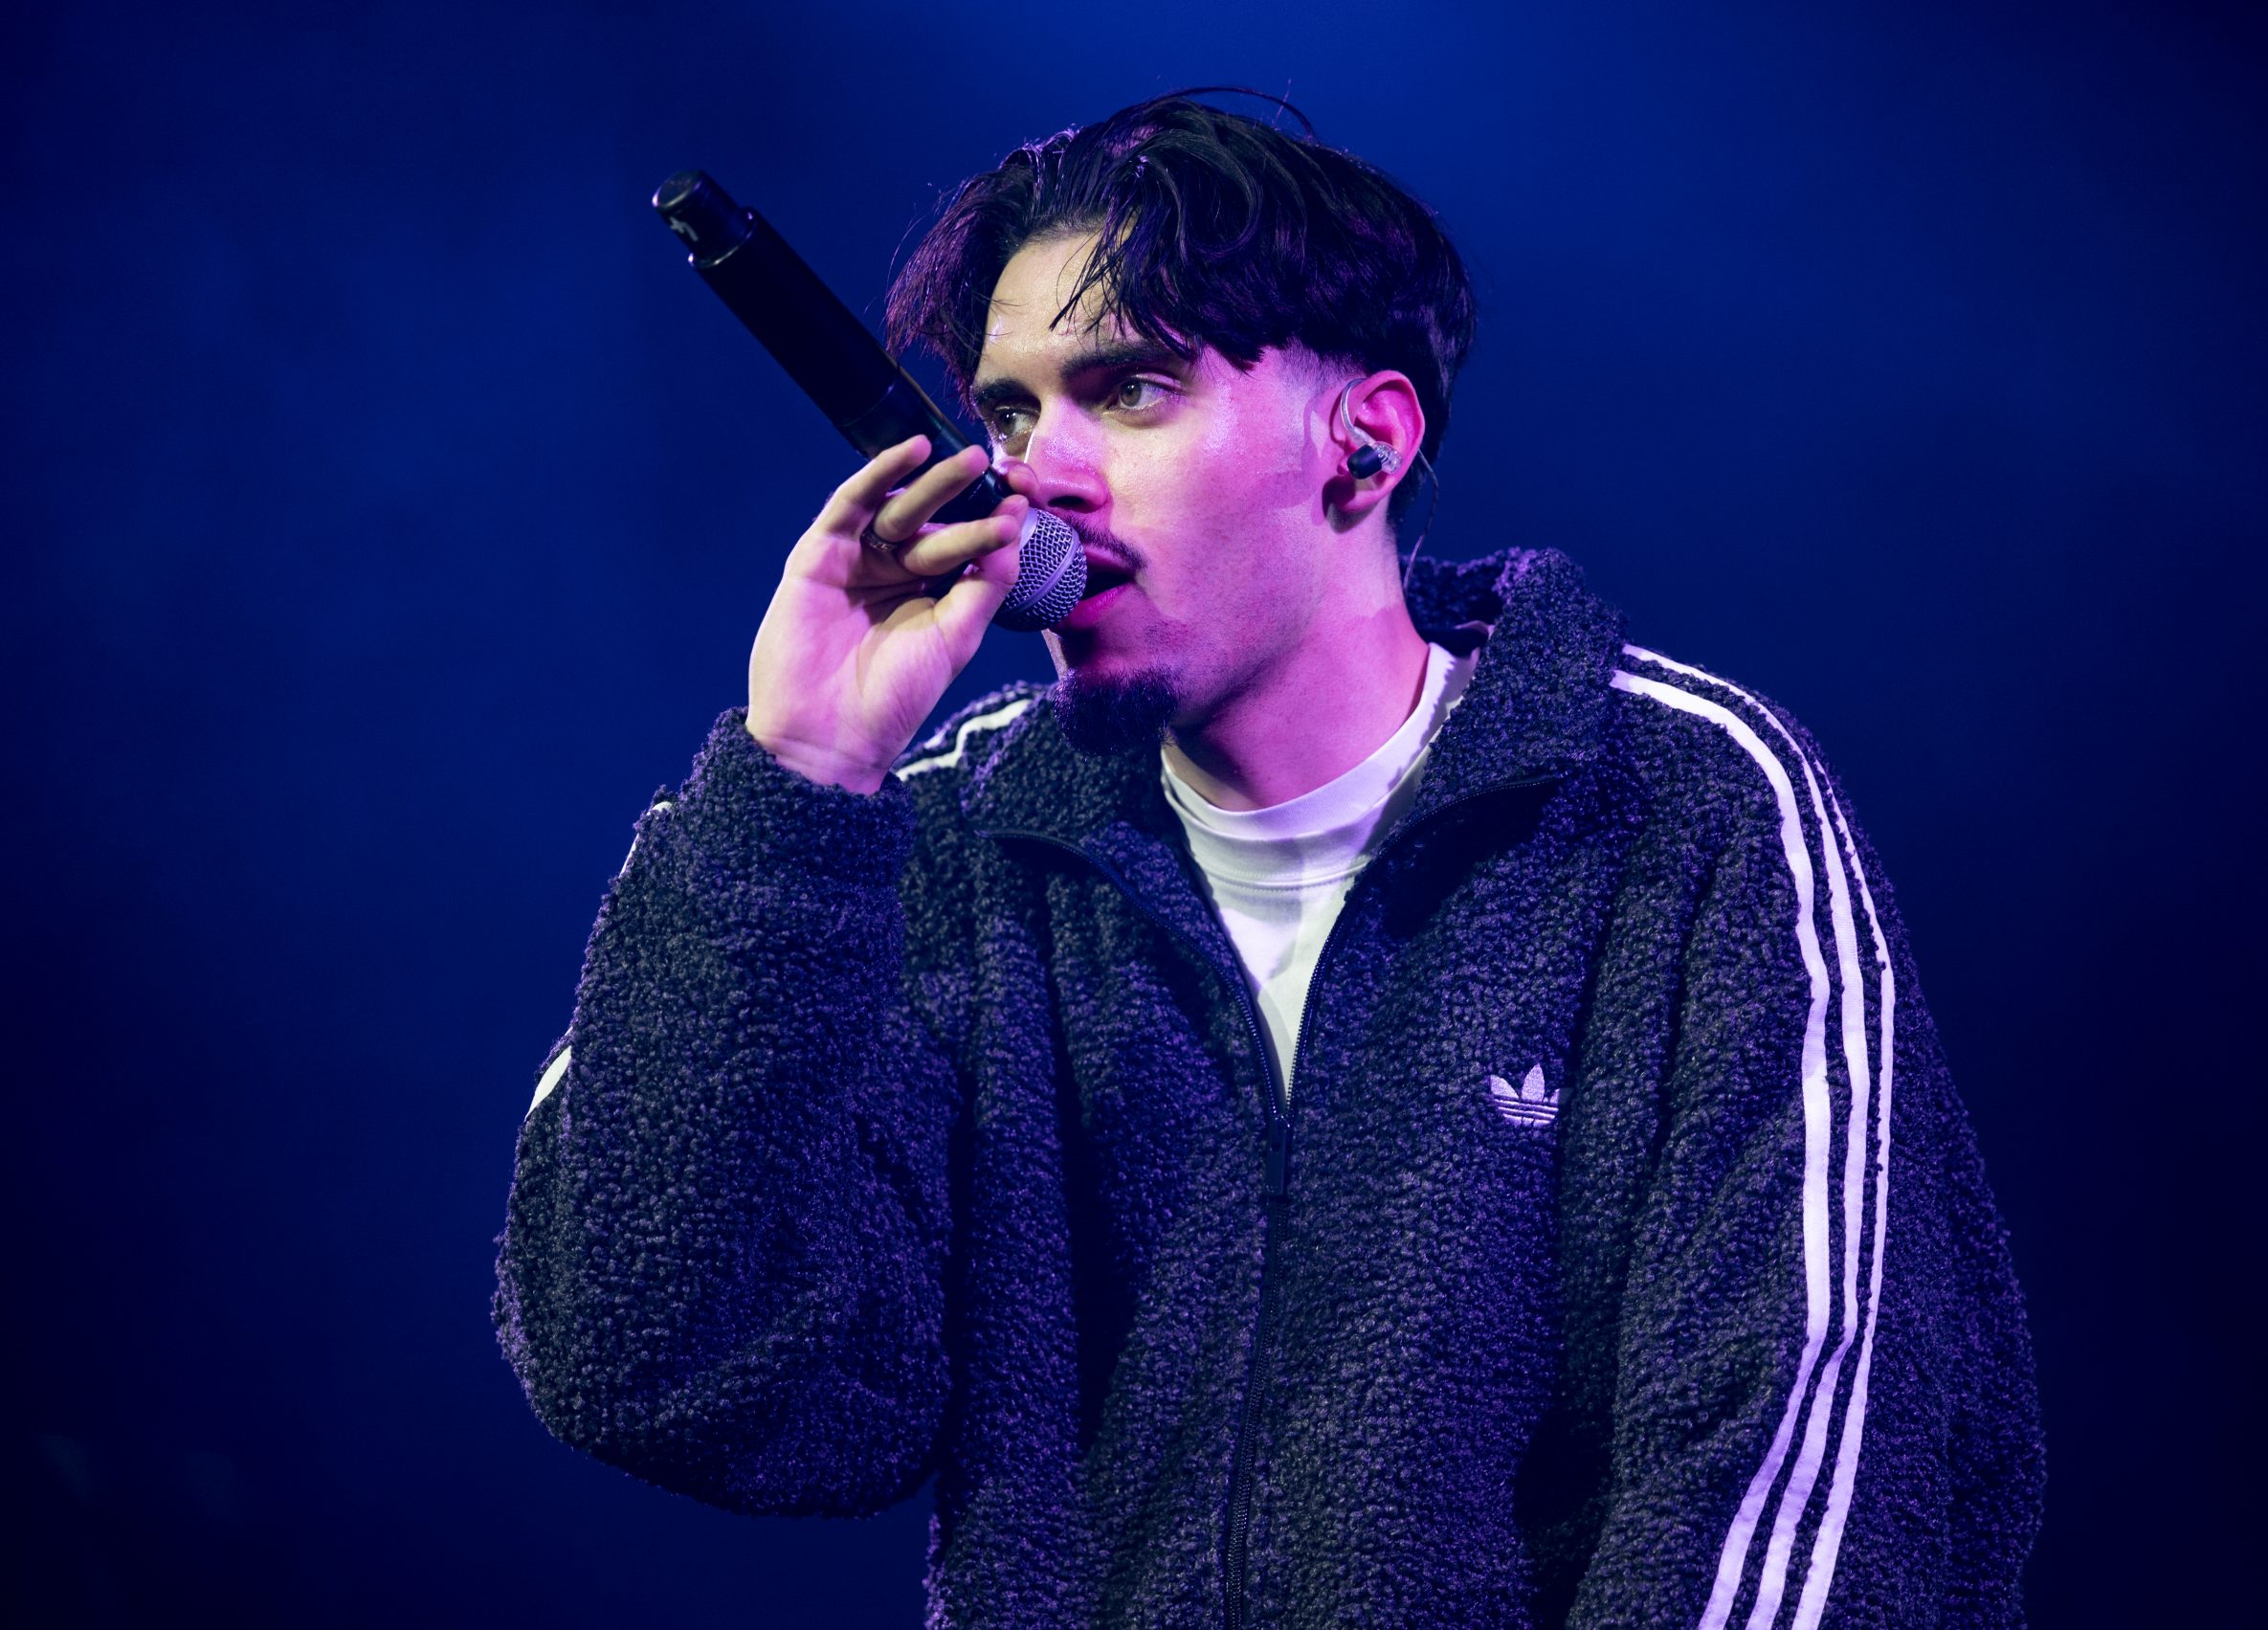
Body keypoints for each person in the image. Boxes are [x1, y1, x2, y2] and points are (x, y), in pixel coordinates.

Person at [493, 92, 2042, 1629]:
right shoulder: (948, 844)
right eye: (1010, 414)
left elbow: (1821, 1448)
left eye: (1131, 391)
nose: (1035, 475)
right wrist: (795, 787)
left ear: (1364, 442)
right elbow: (657, 1365)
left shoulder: (1674, 804)